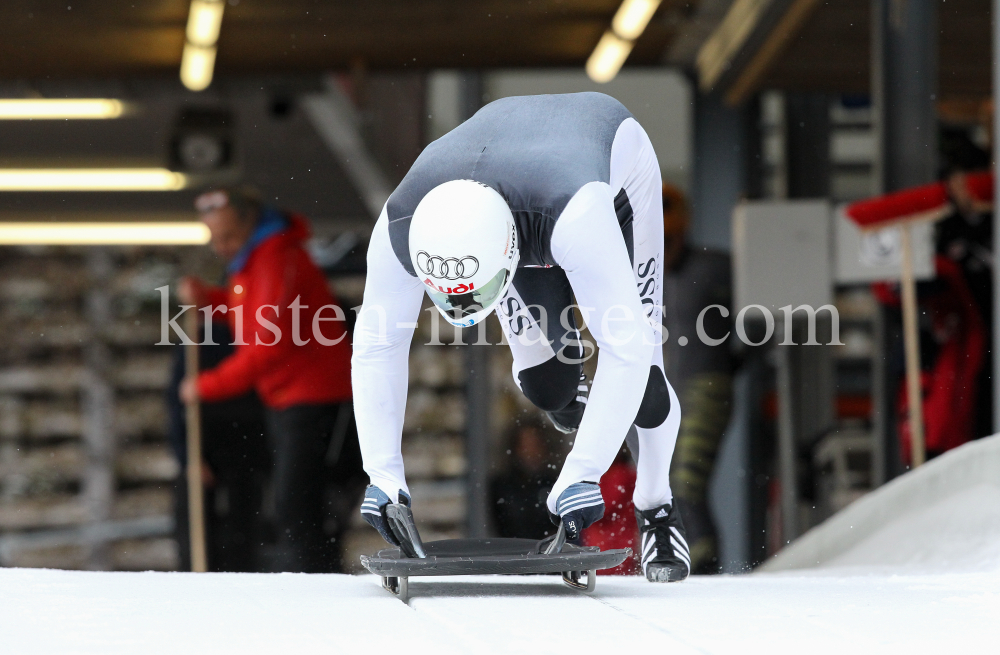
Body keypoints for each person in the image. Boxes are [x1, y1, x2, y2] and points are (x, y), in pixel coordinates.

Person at [354, 92, 690, 582]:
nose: (465, 314)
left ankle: (657, 507)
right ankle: (569, 372)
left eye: (477, 295)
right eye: (451, 300)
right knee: (544, 386)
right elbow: (376, 345)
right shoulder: (400, 225)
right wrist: (381, 474)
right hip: (521, 195)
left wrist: (583, 474)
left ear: (510, 253)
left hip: (603, 187)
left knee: (646, 386)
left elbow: (629, 348)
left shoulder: (576, 214)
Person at [178, 187, 365, 573]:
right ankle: (314, 580)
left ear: (248, 223)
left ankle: (317, 584)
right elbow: (246, 315)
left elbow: (267, 344)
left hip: (316, 396)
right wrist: (210, 301)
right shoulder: (255, 260)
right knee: (297, 504)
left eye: (226, 236)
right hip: (289, 398)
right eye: (214, 238)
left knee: (298, 503)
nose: (220, 247)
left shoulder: (276, 259)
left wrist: (207, 386)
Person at [661, 184, 734, 574]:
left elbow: (766, 318)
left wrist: (731, 364)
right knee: (673, 482)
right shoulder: (658, 277)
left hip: (706, 386)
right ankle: (697, 555)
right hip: (676, 387)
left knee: (686, 481)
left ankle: (706, 562)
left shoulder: (714, 268)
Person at [490, 421, 558, 540]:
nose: (531, 451)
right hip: (511, 552)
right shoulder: (501, 485)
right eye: (525, 446)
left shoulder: (555, 483)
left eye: (535, 445)